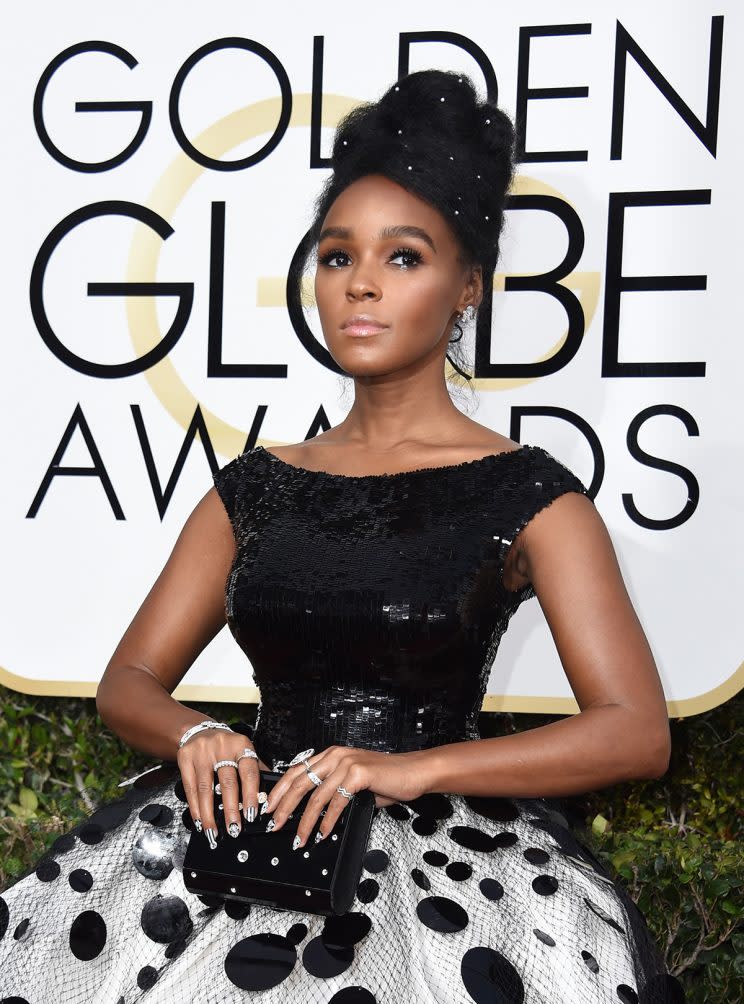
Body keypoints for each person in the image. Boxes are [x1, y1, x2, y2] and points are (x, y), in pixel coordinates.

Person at [0, 69, 686, 1003]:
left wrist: (412, 769)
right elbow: (129, 684)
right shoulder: (256, 488)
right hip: (236, 848)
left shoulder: (531, 496)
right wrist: (201, 733)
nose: (360, 283)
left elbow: (635, 732)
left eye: (404, 257)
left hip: (446, 880)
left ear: (468, 288)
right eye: (335, 255)